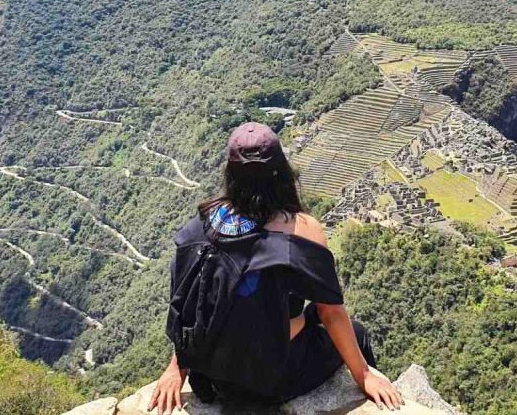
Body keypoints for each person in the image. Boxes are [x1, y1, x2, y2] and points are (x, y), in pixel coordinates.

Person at [149, 122, 404, 413]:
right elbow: (330, 312)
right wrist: (365, 375)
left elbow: (192, 303)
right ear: (282, 171)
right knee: (354, 331)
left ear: (230, 174)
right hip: (265, 379)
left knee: (305, 316)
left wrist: (177, 369)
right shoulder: (301, 230)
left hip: (209, 375)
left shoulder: (203, 226)